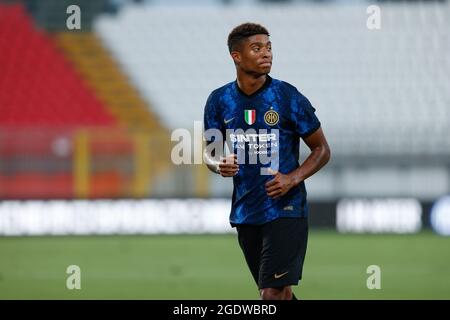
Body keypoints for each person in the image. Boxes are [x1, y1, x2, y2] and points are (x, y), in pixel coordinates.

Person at [203, 22, 331, 300]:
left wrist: (292, 178)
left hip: (285, 209)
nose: (267, 54)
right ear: (236, 56)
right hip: (246, 211)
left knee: (271, 295)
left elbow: (321, 149)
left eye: (269, 47)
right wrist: (218, 164)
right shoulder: (218, 101)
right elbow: (210, 153)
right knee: (278, 294)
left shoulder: (287, 97)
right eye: (257, 48)